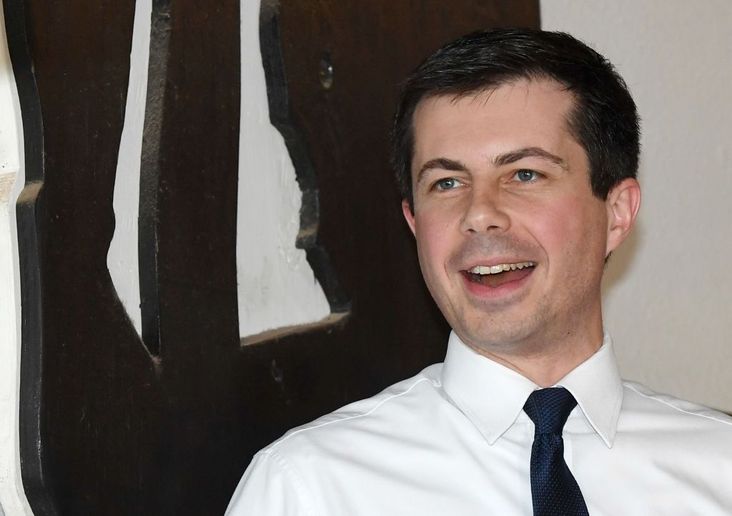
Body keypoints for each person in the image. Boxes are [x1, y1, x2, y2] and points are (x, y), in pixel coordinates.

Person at [226, 28, 732, 515]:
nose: (478, 213)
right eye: (447, 183)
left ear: (616, 213)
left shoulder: (720, 467)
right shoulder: (307, 489)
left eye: (524, 174)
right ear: (414, 223)